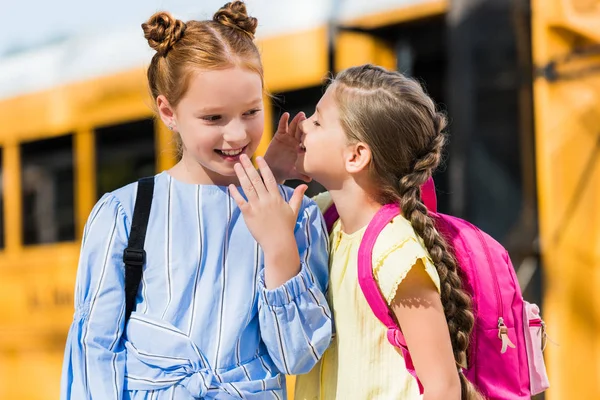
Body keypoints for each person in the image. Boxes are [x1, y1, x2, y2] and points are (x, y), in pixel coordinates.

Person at [60, 2, 331, 399]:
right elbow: (95, 350)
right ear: (168, 111)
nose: (237, 134)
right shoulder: (123, 214)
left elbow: (298, 356)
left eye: (251, 111)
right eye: (214, 118)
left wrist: (279, 250)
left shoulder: (297, 213)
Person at [266, 64, 482, 399]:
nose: (302, 125)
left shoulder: (395, 249)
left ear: (356, 156)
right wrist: (273, 173)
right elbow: (247, 236)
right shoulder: (322, 219)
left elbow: (443, 386)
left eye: (318, 121)